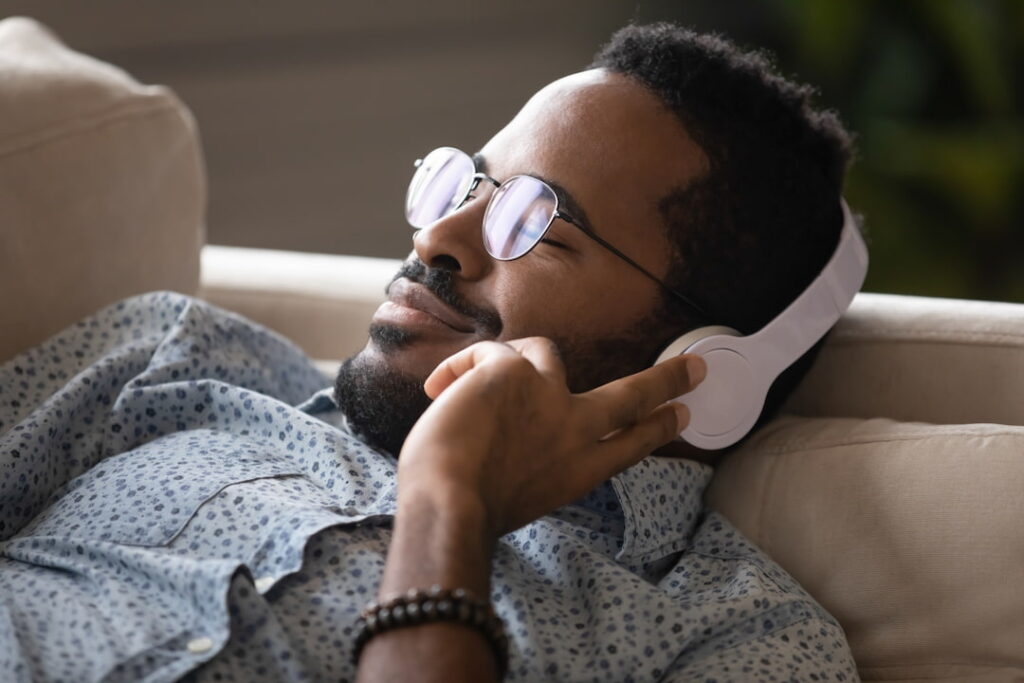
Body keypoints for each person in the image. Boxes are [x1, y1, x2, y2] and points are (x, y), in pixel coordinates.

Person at [0, 22, 860, 683]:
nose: (437, 235)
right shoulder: (178, 359)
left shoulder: (740, 643)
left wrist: (447, 502)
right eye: (464, 183)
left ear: (707, 374)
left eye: (533, 223)